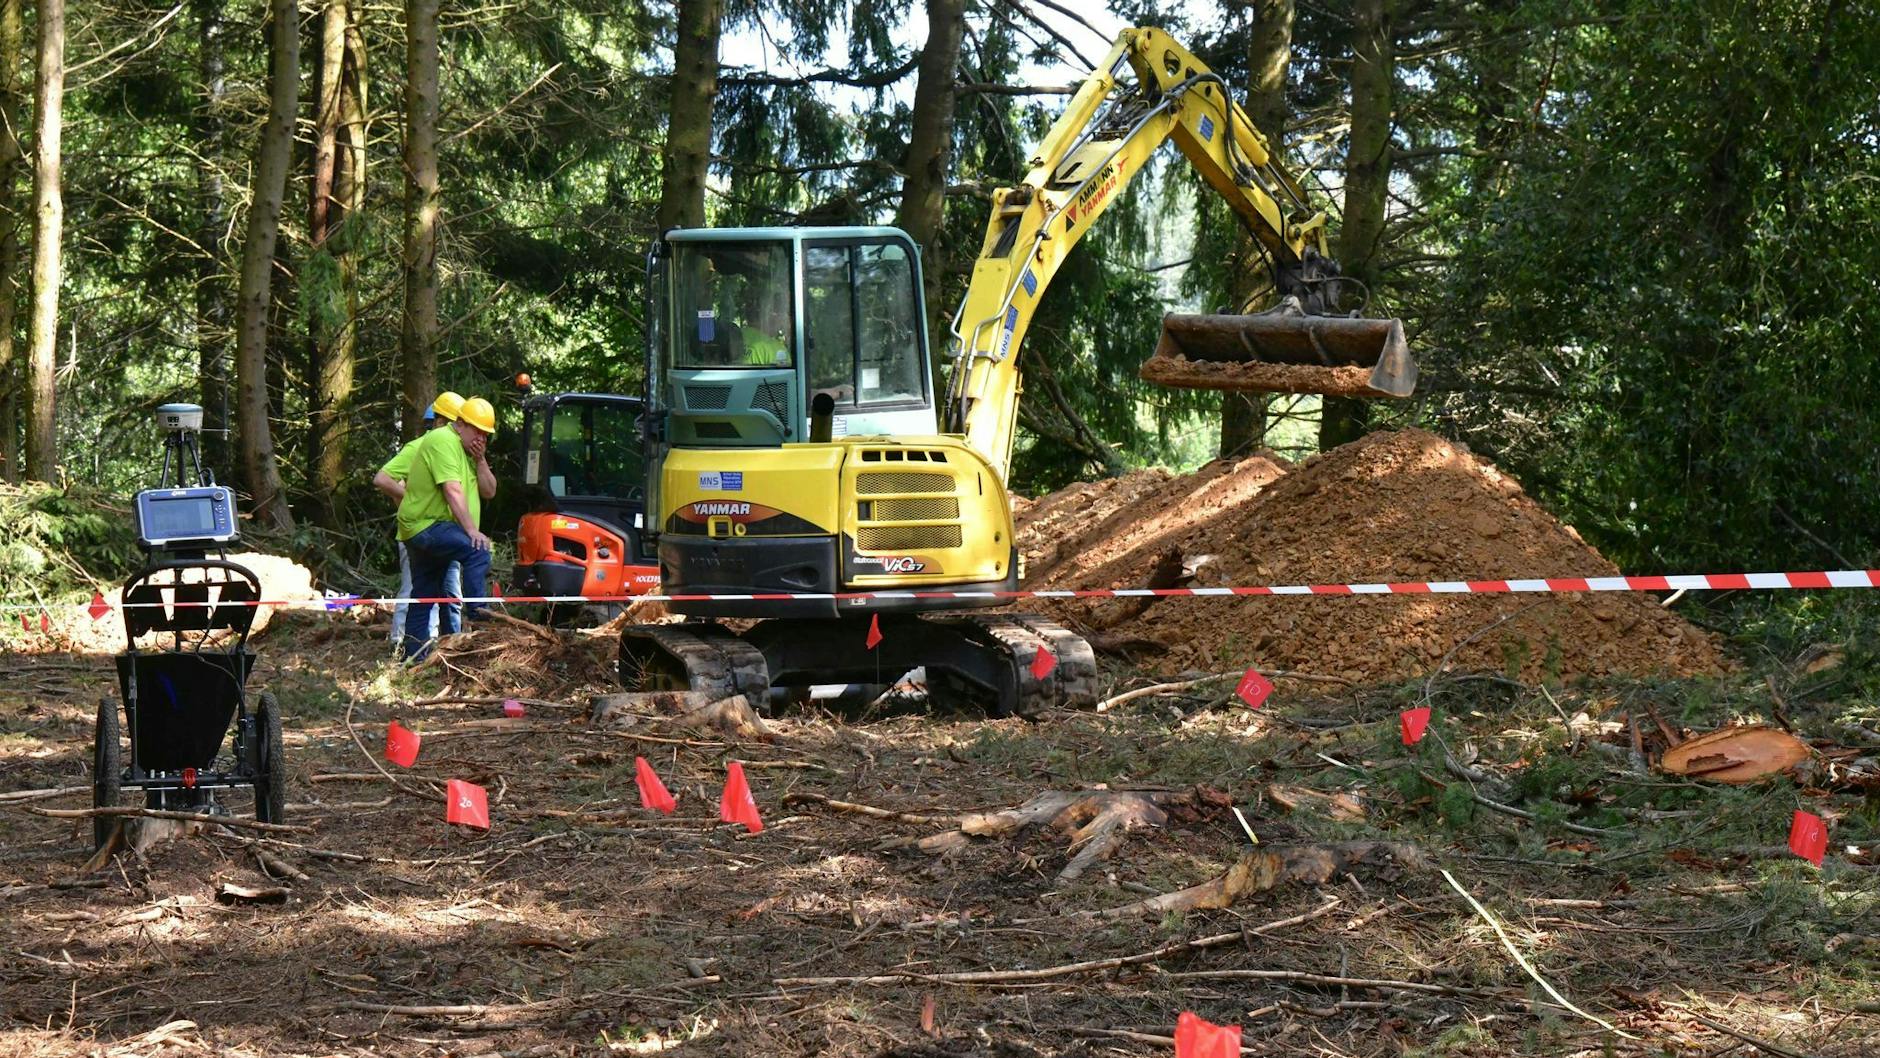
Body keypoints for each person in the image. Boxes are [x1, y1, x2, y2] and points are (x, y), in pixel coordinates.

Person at [384, 396, 499, 660]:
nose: (481, 438)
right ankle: (480, 615)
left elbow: (489, 491)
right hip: (427, 525)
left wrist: (481, 460)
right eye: (477, 431)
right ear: (460, 424)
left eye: (486, 434)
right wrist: (471, 531)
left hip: (430, 527)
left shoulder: (469, 451)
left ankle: (413, 659)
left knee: (424, 595)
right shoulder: (443, 440)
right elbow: (452, 490)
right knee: (478, 550)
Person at [374, 393, 473, 644]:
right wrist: (412, 499)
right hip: (419, 532)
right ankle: (402, 643)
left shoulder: (456, 451)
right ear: (439, 422)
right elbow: (382, 479)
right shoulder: (418, 447)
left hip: (445, 533)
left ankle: (451, 645)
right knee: (416, 591)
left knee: (450, 594)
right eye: (456, 423)